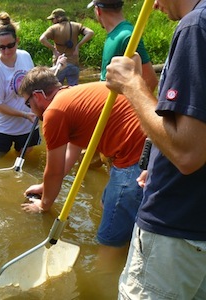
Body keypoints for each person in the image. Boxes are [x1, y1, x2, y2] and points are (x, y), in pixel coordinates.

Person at [105, 0, 206, 298]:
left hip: (175, 227)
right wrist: (157, 161)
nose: (154, 4)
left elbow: (187, 153)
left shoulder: (194, 26)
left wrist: (132, 85)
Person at [18, 66, 145, 291]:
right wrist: (44, 186)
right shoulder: (74, 95)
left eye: (28, 103)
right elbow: (71, 154)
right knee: (106, 204)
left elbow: (54, 170)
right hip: (149, 149)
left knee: (109, 241)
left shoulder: (53, 113)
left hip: (134, 159)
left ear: (38, 96)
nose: (30, 108)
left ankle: (100, 286)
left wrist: (45, 205)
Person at [0, 12, 40, 160]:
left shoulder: (25, 56)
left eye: (11, 45)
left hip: (28, 126)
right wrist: (24, 115)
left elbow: (33, 83)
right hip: (3, 127)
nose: (7, 51)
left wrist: (55, 68)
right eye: (1, 47)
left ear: (17, 40)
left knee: (27, 162)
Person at [88, 0, 158, 92]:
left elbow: (150, 81)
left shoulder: (126, 36)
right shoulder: (115, 35)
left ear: (98, 10)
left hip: (118, 105)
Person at [39, 8, 94, 86]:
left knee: (56, 90)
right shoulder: (76, 25)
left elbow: (42, 39)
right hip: (73, 64)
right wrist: (78, 46)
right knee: (74, 90)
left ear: (58, 18)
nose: (52, 22)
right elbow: (90, 32)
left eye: (53, 19)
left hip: (59, 65)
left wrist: (54, 50)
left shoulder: (53, 28)